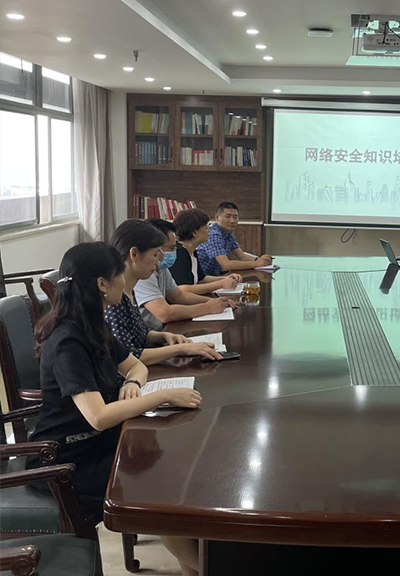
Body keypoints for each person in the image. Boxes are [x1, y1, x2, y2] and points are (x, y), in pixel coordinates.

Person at [28, 242, 202, 576]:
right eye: (119, 274)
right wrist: (161, 397)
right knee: (161, 492)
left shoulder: (93, 324)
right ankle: (206, 566)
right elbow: (98, 417)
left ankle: (195, 567)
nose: (125, 281)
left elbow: (136, 365)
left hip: (101, 441)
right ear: (102, 284)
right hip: (67, 459)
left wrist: (133, 383)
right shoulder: (67, 341)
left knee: (174, 471)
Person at [106, 219, 223, 365]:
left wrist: (165, 336)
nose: (157, 262)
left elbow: (141, 334)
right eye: (155, 255)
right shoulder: (113, 299)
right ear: (134, 254)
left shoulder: (129, 290)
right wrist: (180, 349)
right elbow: (127, 358)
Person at [131, 219, 236, 330]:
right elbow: (164, 313)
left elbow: (179, 296)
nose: (175, 251)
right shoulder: (143, 273)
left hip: (157, 331)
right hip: (149, 334)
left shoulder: (162, 268)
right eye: (171, 248)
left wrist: (214, 302)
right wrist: (207, 307)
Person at [171, 208, 244, 293]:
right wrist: (220, 284)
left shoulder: (192, 251)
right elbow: (183, 289)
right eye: (206, 227)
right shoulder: (179, 253)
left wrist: (227, 278)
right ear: (194, 233)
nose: (209, 229)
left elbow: (202, 279)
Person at [196, 202, 273, 275]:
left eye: (235, 217)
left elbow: (242, 256)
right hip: (202, 279)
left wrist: (261, 260)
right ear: (217, 217)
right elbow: (226, 265)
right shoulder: (213, 234)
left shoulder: (228, 232)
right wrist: (256, 263)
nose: (232, 221)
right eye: (228, 216)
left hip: (215, 275)